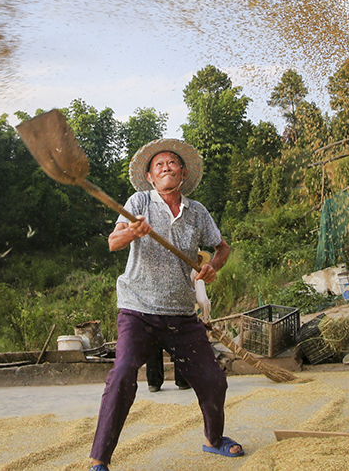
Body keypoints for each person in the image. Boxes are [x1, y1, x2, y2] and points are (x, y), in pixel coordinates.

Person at [89, 139, 242, 471]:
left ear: (183, 173)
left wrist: (212, 267)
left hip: (181, 315)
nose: (166, 168)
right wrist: (133, 231)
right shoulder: (139, 201)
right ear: (150, 176)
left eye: (172, 163)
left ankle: (213, 440)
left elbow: (222, 247)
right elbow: (114, 242)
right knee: (123, 373)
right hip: (138, 310)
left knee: (213, 379)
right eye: (159, 165)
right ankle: (99, 460)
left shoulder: (197, 212)